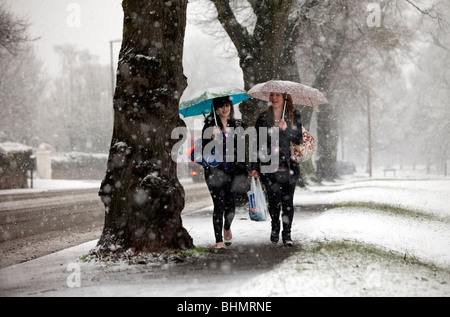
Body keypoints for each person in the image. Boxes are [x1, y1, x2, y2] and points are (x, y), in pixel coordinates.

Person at [251, 92, 302, 247]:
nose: (273, 98)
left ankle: (287, 234)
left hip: (288, 166)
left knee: (287, 202)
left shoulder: (294, 115)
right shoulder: (262, 117)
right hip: (269, 166)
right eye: (271, 95)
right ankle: (275, 226)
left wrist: (286, 129)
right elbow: (256, 142)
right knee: (273, 201)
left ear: (285, 97)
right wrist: (254, 166)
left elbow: (298, 139)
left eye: (277, 95)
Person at [202, 96, 247, 249]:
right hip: (214, 172)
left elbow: (241, 149)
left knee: (231, 206)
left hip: (232, 172)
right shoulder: (209, 125)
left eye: (227, 105)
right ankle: (218, 240)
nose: (225, 109)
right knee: (218, 205)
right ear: (216, 109)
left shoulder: (236, 125)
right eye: (221, 106)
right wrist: (211, 137)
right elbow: (203, 148)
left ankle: (227, 227)